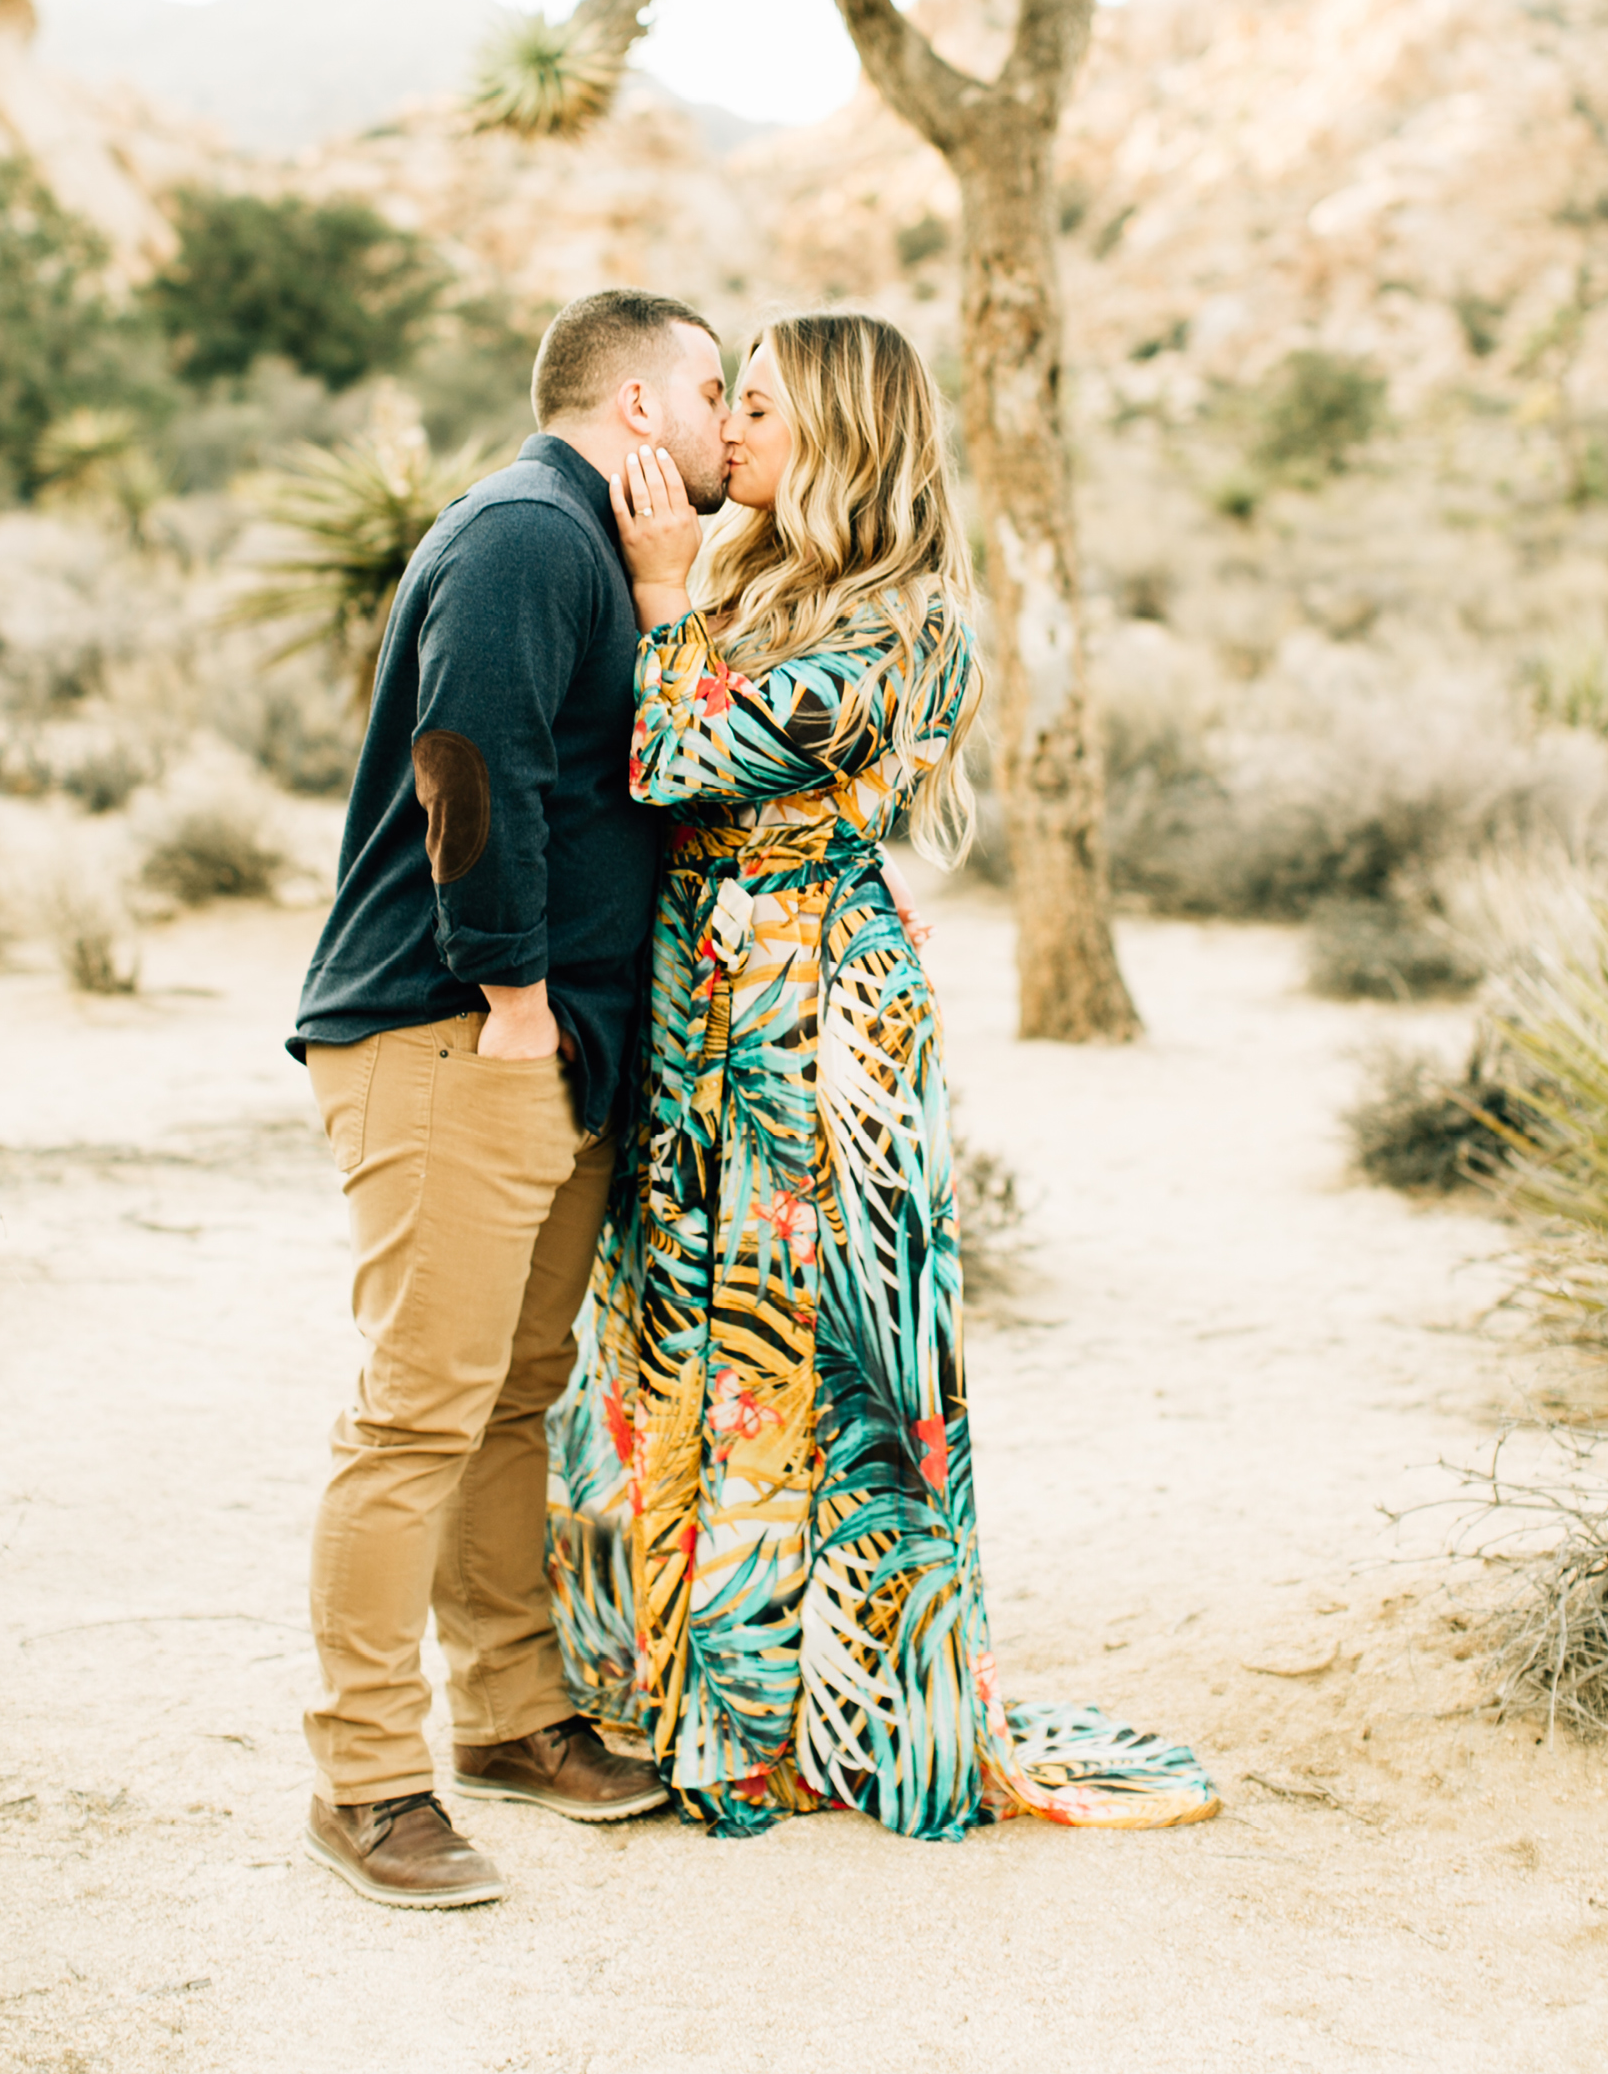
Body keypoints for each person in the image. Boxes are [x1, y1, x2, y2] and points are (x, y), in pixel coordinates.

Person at [547, 310, 1219, 1838]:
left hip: (815, 1009)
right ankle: (686, 1682)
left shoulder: (913, 613)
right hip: (705, 991)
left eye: (763, 409)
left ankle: (816, 1706)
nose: (732, 437)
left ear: (841, 435)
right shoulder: (761, 574)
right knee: (684, 1325)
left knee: (818, 1340)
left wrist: (658, 593)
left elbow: (681, 758)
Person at [291, 288, 731, 1910]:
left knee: (508, 1396)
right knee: (417, 1411)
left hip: (545, 1051)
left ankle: (510, 1714)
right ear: (633, 410)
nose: (723, 422)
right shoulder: (527, 537)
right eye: (707, 389)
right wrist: (519, 997)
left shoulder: (597, 549)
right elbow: (464, 758)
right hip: (454, 1033)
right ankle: (364, 1781)